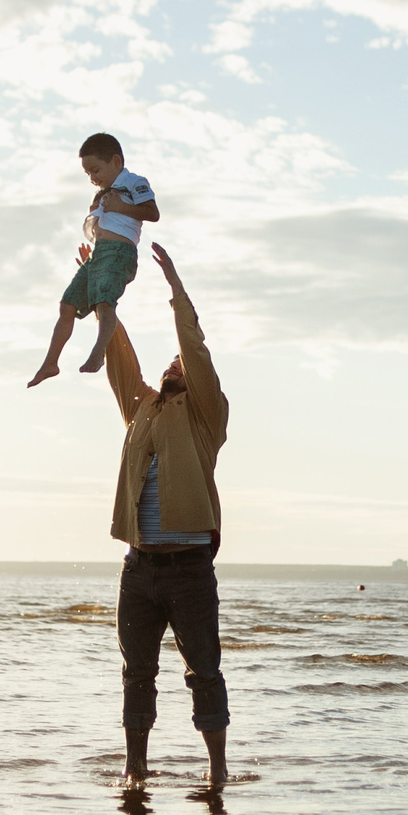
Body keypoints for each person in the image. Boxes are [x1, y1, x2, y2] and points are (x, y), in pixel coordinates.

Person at [100, 242, 230, 785]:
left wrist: (176, 290)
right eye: (170, 362)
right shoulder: (142, 408)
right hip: (140, 569)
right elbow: (120, 358)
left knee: (203, 670)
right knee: (137, 674)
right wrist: (103, 292)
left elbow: (195, 351)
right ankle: (135, 768)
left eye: (179, 362)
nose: (173, 363)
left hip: (190, 568)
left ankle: (217, 769)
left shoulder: (205, 413)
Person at [28, 133, 159, 386]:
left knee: (104, 301)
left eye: (96, 170)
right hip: (99, 254)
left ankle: (99, 353)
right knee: (67, 305)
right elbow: (97, 222)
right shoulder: (100, 194)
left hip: (119, 253)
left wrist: (121, 207)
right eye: (88, 174)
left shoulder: (134, 182)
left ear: (116, 161)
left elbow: (152, 213)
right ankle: (51, 362)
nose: (92, 178)